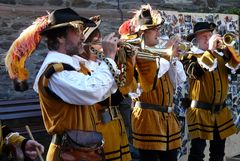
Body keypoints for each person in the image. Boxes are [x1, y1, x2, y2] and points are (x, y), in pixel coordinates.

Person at [32, 8, 120, 161]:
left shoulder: (74, 65)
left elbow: (106, 91)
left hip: (85, 151)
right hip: (68, 154)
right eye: (77, 30)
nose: (82, 36)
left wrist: (115, 63)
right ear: (60, 37)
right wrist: (110, 58)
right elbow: (93, 91)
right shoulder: (56, 71)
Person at [118, 4, 186, 161]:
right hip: (147, 119)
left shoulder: (160, 54)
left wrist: (173, 59)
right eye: (154, 29)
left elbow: (179, 80)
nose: (158, 32)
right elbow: (138, 87)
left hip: (168, 120)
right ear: (142, 33)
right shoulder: (132, 55)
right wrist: (167, 56)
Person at [181, 22, 240, 161]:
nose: (208, 39)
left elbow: (236, 69)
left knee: (218, 154)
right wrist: (211, 51)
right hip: (199, 113)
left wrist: (228, 51)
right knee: (197, 153)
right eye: (203, 37)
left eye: (210, 35)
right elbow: (194, 72)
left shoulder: (221, 57)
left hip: (220, 113)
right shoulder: (189, 57)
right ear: (195, 39)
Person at [75, 15, 131, 160]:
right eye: (95, 42)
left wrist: (129, 62)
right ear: (85, 46)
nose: (100, 45)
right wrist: (110, 58)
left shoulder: (103, 66)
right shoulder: (82, 69)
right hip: (100, 128)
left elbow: (126, 89)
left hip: (116, 125)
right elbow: (112, 99)